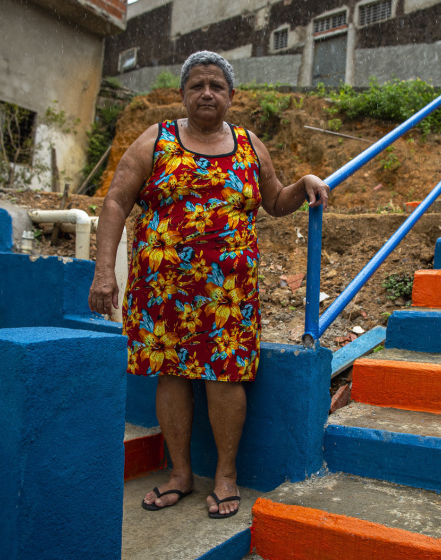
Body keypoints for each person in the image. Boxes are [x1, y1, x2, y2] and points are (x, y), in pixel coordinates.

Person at [88, 51, 329, 519]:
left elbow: (275, 201)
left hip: (227, 294)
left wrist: (304, 183)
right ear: (182, 94)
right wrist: (103, 272)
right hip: (163, 290)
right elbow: (116, 201)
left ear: (231, 96)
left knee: (225, 378)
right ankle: (179, 473)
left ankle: (225, 475)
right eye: (197, 85)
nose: (206, 93)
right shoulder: (155, 140)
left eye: (216, 86)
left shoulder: (248, 144)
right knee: (171, 374)